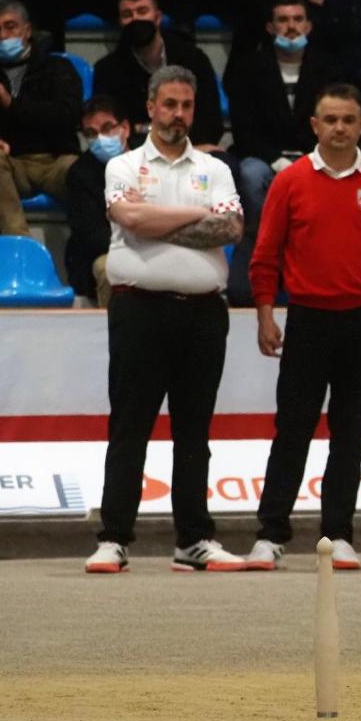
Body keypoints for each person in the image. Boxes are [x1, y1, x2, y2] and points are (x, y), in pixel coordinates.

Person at [245, 83, 361, 571]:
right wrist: (265, 312)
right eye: (330, 119)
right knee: (292, 430)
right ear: (314, 126)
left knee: (350, 433)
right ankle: (271, 534)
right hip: (307, 320)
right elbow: (265, 256)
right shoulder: (291, 181)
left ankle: (339, 533)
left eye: (348, 120)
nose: (339, 127)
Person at [84, 65, 247, 574]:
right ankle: (113, 538)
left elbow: (232, 229)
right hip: (138, 310)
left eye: (187, 105)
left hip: (203, 314)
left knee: (194, 431)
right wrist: (196, 215)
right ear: (151, 107)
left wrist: (156, 218)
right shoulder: (124, 166)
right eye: (169, 104)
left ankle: (193, 540)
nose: (178, 114)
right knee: (129, 425)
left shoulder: (215, 168)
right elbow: (128, 220)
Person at [223, 0, 333, 306]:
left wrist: (305, 161)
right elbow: (244, 130)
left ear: (309, 26)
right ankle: (264, 246)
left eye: (298, 20)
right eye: (283, 20)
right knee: (251, 173)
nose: (291, 27)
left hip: (314, 156)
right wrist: (277, 160)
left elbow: (331, 125)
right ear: (271, 27)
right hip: (264, 156)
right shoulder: (249, 69)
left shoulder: (327, 68)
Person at [0, 0, 81, 236]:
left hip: (56, 161)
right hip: (12, 166)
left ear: (27, 30)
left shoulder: (58, 69)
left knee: (83, 170)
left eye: (10, 26)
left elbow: (67, 115)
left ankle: (95, 251)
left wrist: (12, 104)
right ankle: (20, 247)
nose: (3, 35)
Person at [92, 0, 225, 153]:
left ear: (157, 17)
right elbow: (110, 125)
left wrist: (181, 150)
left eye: (142, 11)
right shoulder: (107, 69)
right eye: (127, 15)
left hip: (192, 150)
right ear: (120, 23)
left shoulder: (193, 59)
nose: (135, 19)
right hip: (134, 155)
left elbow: (211, 120)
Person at [64, 95, 129, 306]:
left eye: (107, 128)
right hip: (102, 253)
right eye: (91, 133)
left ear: (125, 128)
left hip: (150, 245)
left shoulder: (149, 160)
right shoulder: (79, 173)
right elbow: (91, 237)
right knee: (110, 268)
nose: (100, 139)